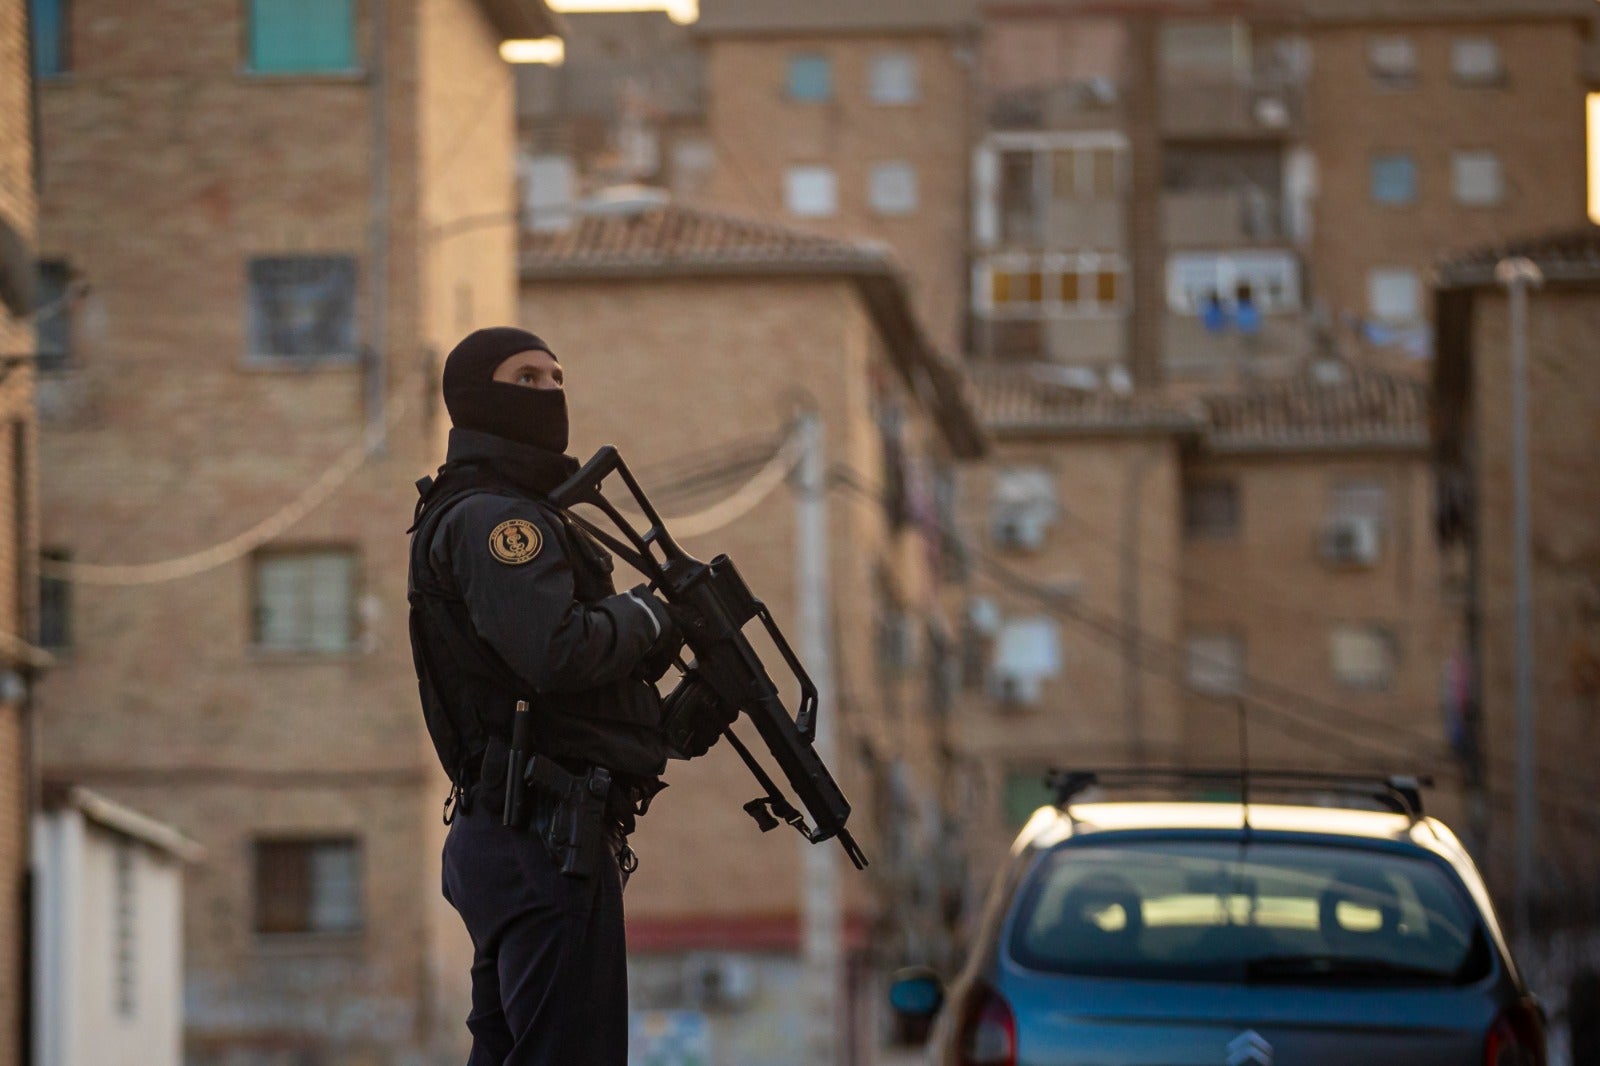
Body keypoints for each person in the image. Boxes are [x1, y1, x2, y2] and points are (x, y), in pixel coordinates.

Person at [407, 327, 689, 1065]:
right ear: (475, 398)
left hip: (523, 830)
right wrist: (646, 613)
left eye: (557, 378)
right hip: (537, 834)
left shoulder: (512, 510)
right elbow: (553, 651)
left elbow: (568, 680)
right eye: (526, 379)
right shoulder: (500, 520)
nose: (550, 394)